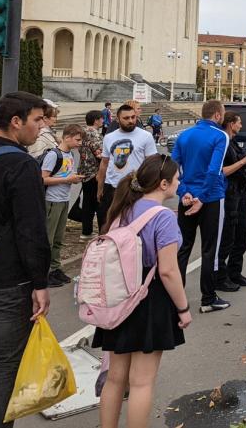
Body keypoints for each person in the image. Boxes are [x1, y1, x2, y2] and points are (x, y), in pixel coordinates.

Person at [93, 154, 191, 428]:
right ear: (162, 184)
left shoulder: (123, 209)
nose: (179, 183)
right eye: (176, 179)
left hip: (118, 297)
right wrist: (183, 308)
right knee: (141, 383)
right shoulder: (163, 218)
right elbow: (168, 271)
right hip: (150, 300)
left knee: (115, 377)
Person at [0, 92, 51, 427]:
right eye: (37, 120)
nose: (41, 127)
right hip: (6, 282)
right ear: (16, 122)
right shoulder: (22, 165)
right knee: (2, 367)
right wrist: (40, 283)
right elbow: (31, 231)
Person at [171, 100, 230, 313]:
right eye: (222, 114)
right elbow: (214, 170)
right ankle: (208, 298)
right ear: (216, 115)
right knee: (209, 249)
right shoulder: (220, 136)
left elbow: (173, 166)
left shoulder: (184, 135)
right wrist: (202, 198)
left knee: (183, 247)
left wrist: (184, 191)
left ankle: (174, 299)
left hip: (186, 196)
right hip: (211, 198)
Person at [97, 104, 157, 233]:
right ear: (118, 119)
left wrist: (151, 189)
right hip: (112, 187)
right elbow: (104, 163)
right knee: (106, 224)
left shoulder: (146, 136)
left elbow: (152, 164)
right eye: (126, 118)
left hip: (135, 189)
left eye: (133, 117)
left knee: (134, 226)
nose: (131, 120)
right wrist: (100, 187)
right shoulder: (109, 137)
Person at [216, 113, 246, 292]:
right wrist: (243, 161)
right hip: (229, 194)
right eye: (239, 122)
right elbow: (222, 170)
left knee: (242, 235)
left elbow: (240, 162)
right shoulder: (223, 143)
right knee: (228, 237)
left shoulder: (232, 141)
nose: (241, 126)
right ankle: (220, 277)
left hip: (240, 193)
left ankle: (235, 272)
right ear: (231, 124)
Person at [41, 123, 85, 287]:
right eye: (77, 140)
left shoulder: (70, 155)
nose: (79, 143)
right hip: (52, 200)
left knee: (58, 238)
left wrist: (73, 177)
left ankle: (55, 268)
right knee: (49, 239)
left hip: (63, 199)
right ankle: (44, 273)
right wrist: (67, 180)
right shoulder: (54, 155)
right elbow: (43, 178)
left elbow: (66, 173)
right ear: (67, 137)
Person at [75, 110, 104, 240]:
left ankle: (86, 231)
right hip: (95, 172)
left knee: (87, 202)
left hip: (84, 171)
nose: (103, 121)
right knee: (99, 202)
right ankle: (103, 233)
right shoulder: (94, 134)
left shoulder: (82, 133)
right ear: (96, 120)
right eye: (101, 119)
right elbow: (100, 154)